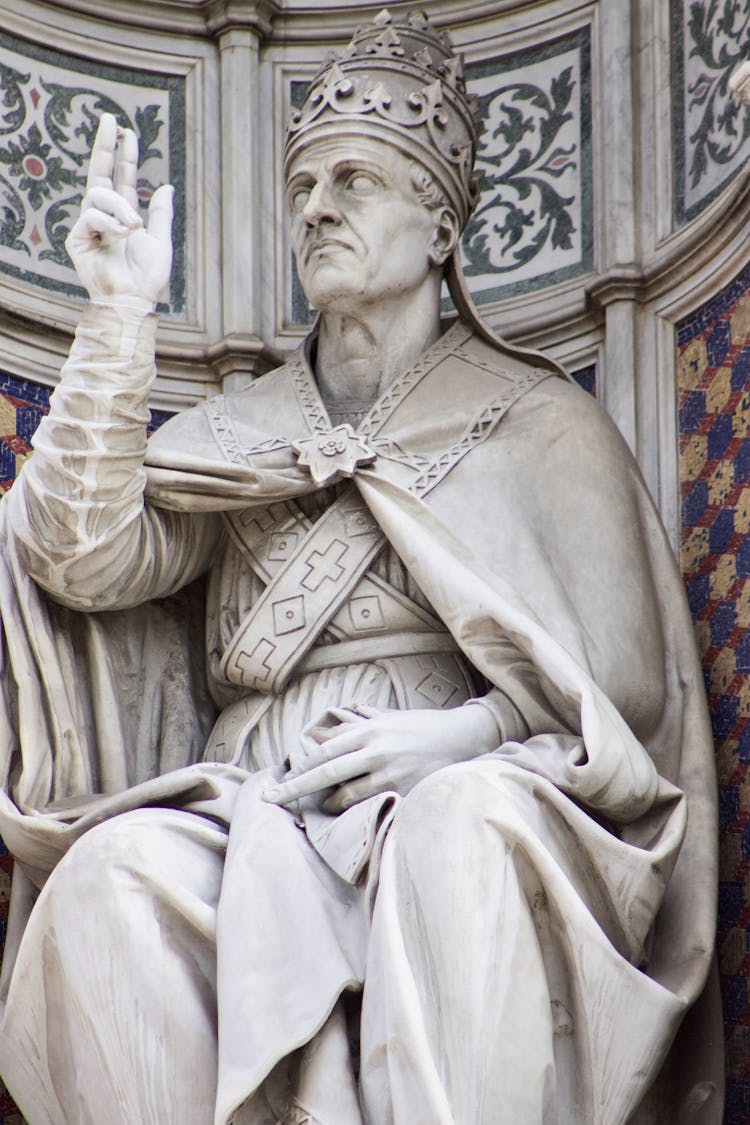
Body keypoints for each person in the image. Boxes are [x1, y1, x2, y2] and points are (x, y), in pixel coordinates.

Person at [0, 9, 721, 1124]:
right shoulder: (243, 430)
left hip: (469, 787)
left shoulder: (540, 421)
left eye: (353, 181)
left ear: (440, 228)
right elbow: (78, 558)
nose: (318, 209)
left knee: (459, 832)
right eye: (301, 190)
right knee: (108, 882)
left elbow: (623, 682)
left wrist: (461, 738)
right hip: (253, 810)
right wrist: (116, 321)